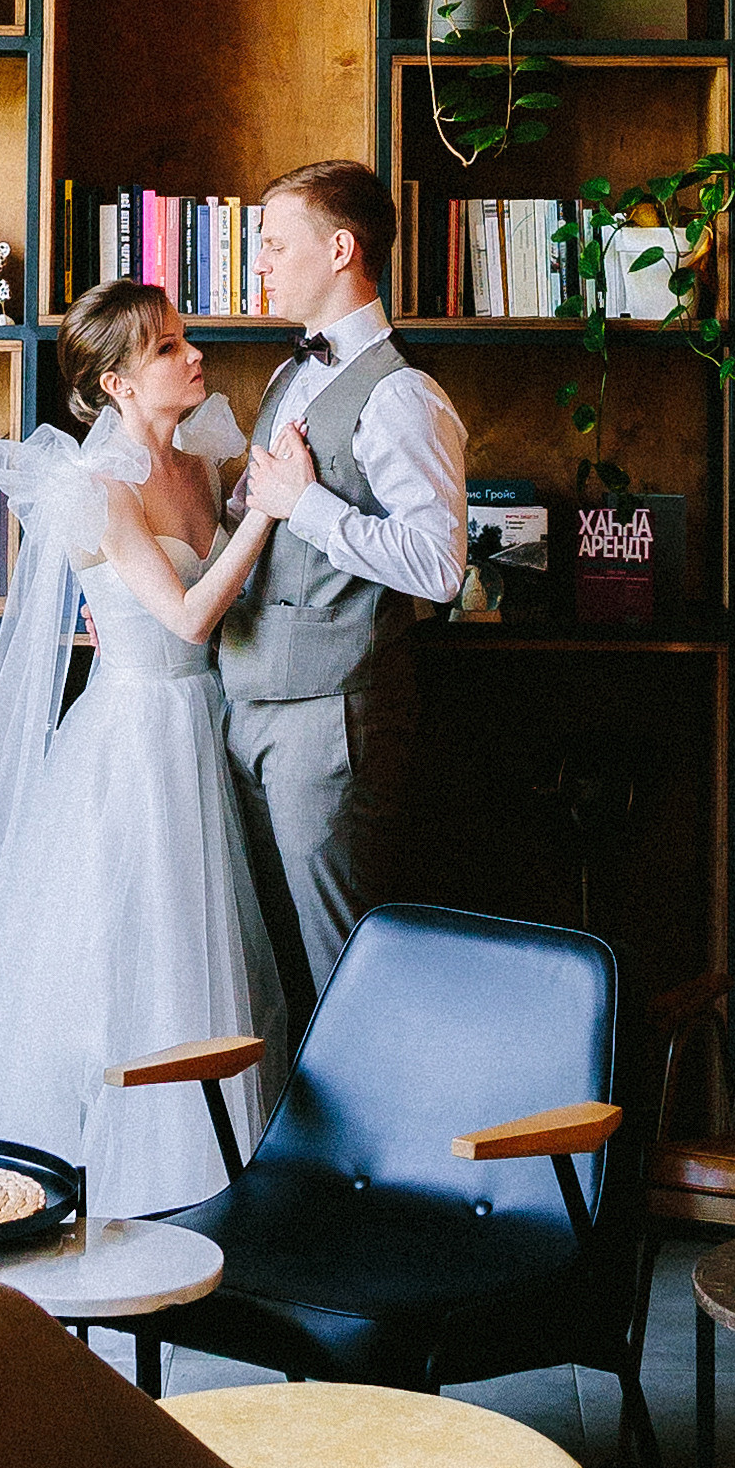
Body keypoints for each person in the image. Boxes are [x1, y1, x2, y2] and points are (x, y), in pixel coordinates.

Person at [0, 281, 286, 1217]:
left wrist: (264, 496)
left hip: (206, 726)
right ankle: (116, 1182)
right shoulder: (98, 486)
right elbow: (185, 618)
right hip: (133, 740)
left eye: (182, 338)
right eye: (169, 349)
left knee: (209, 952)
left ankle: (208, 1178)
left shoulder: (205, 457)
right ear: (120, 383)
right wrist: (268, 515)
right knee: (127, 954)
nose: (194, 355)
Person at [222, 161, 468, 1029]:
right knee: (282, 967)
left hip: (332, 717)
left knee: (343, 969)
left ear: (340, 249)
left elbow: (440, 566)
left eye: (273, 244)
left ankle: (368, 1163)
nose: (260, 263)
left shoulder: (403, 395)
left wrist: (308, 505)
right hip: (249, 701)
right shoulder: (291, 377)